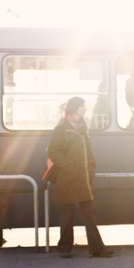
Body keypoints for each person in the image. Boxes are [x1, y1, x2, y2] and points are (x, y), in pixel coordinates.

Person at [48, 96, 113, 258]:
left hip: (84, 179)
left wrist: (91, 166)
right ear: (75, 110)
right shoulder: (61, 129)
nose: (85, 110)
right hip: (66, 179)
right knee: (66, 215)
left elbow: (88, 152)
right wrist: (69, 166)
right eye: (82, 107)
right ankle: (64, 248)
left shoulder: (83, 128)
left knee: (89, 214)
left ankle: (97, 248)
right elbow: (53, 152)